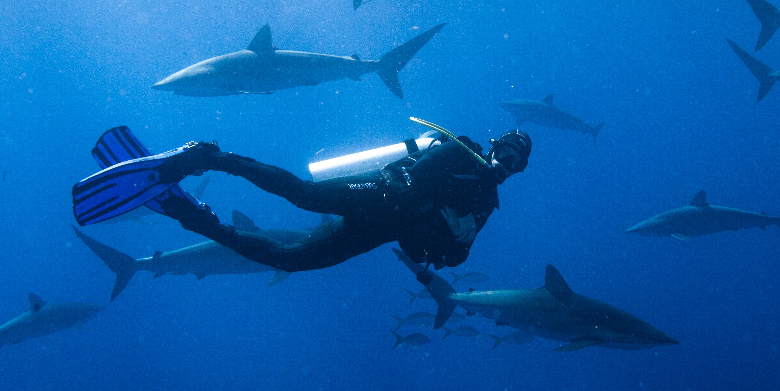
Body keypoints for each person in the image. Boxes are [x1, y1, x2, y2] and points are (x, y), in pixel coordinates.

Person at [140, 129, 531, 273]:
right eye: (505, 152)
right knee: (302, 195)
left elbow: (451, 260)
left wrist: (459, 242)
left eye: (515, 163)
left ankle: (196, 220)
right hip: (380, 193)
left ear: (518, 172)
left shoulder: (485, 204)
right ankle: (212, 157)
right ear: (495, 146)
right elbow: (419, 177)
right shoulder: (462, 150)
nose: (505, 163)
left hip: (382, 230)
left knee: (289, 261)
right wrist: (446, 215)